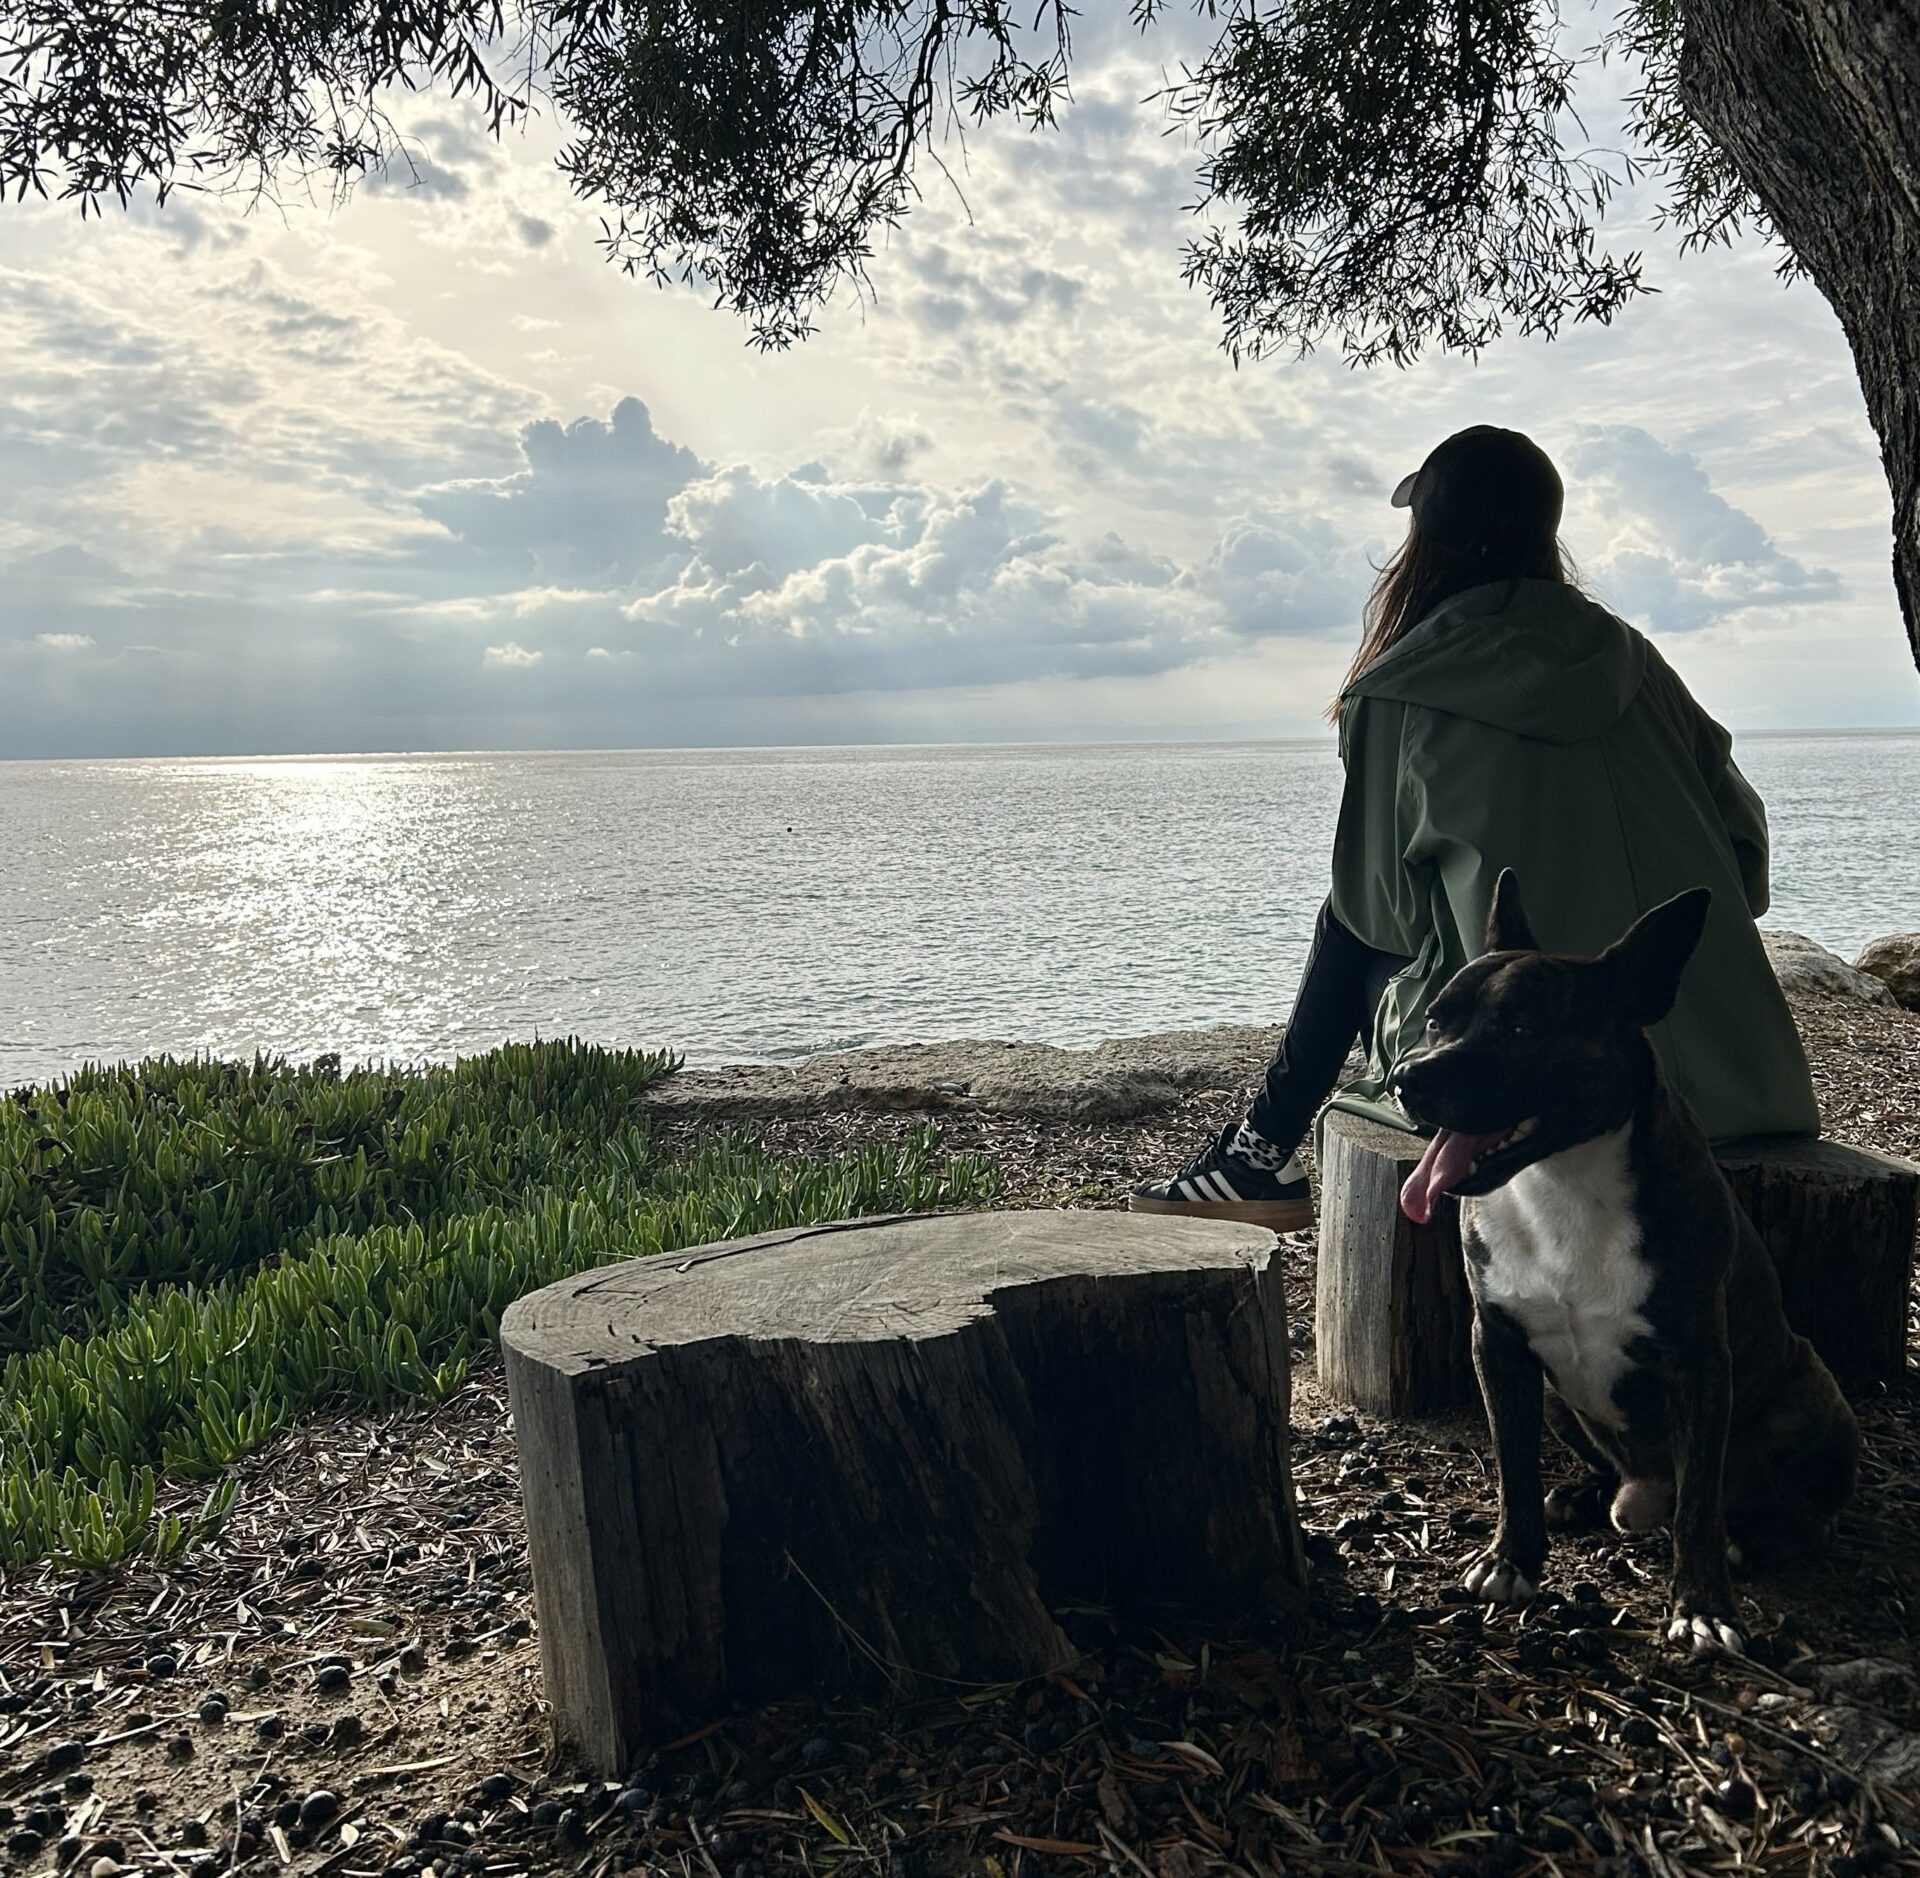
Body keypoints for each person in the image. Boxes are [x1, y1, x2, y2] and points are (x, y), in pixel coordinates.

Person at [1129, 425, 1818, 1232]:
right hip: (1744, 1077)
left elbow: (1377, 915)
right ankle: (1259, 1153)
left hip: (1531, 1082)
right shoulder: (1638, 663)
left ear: (1424, 544)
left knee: (1341, 918)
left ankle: (1259, 1153)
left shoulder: (1401, 690)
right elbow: (1747, 860)